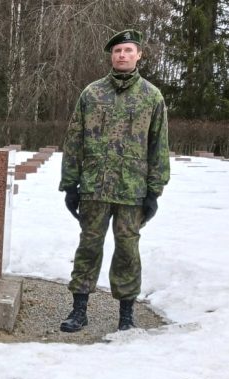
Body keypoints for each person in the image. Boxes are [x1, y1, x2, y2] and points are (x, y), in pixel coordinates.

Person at [58, 29, 170, 333]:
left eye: (128, 50)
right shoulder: (92, 93)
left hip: (132, 190)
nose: (122, 55)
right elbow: (74, 140)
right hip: (94, 187)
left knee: (128, 251)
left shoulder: (151, 96)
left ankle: (126, 315)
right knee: (89, 247)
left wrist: (154, 191)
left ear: (139, 55)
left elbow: (159, 145)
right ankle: (78, 311)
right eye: (117, 51)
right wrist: (70, 185)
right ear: (112, 55)